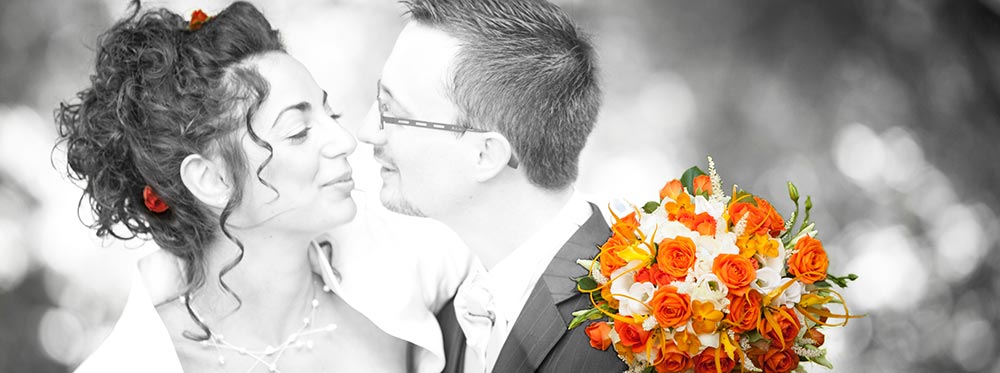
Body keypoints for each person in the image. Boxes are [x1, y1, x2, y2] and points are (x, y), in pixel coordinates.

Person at [57, 2, 466, 372]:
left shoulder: (400, 271)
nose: (345, 140)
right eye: (299, 131)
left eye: (331, 112)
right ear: (212, 179)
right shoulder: (134, 365)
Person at [357, 0, 627, 371]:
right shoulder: (449, 312)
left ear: (486, 154)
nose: (367, 131)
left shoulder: (638, 326)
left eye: (393, 111)